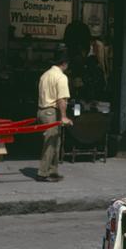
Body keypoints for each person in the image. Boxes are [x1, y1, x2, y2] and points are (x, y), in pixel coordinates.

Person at [36, 50, 73, 182]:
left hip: (42, 110)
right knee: (51, 143)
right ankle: (43, 172)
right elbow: (61, 99)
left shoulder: (45, 75)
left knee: (55, 142)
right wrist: (64, 116)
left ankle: (52, 171)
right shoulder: (61, 77)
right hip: (51, 111)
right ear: (64, 63)